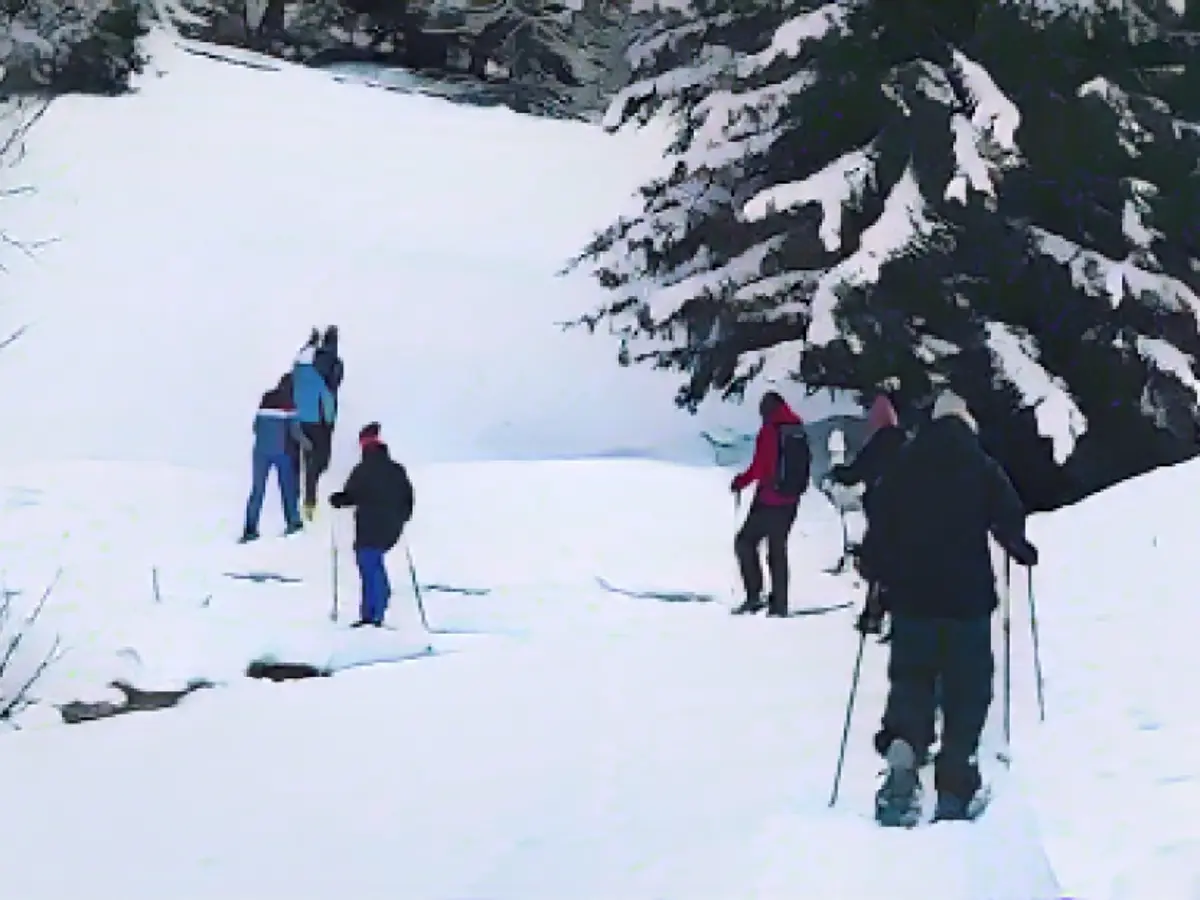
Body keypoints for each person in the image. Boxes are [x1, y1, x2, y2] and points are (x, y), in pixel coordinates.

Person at [866, 390, 1038, 826]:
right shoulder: (979, 464)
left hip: (913, 601)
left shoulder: (905, 463)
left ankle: (904, 753)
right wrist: (1019, 548)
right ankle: (955, 786)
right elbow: (1009, 514)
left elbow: (880, 520)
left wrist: (878, 575)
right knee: (968, 689)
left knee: (911, 679)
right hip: (968, 602)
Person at [826, 393, 908, 637]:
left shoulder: (879, 442)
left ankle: (873, 615)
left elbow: (856, 472)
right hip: (907, 513)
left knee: (877, 565)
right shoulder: (906, 442)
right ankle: (896, 618)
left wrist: (837, 473)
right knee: (897, 566)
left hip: (882, 512)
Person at [730, 390, 811, 617]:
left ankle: (755, 596)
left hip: (769, 499)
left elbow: (759, 467)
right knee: (777, 550)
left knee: (745, 542)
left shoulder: (770, 430)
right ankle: (779, 604)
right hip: (791, 500)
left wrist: (740, 482)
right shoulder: (796, 428)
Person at [329, 422, 415, 628]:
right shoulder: (396, 469)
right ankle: (380, 605)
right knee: (375, 562)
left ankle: (372, 615)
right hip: (391, 527)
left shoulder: (362, 470)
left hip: (369, 524)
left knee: (368, 564)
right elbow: (408, 497)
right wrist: (401, 518)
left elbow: (352, 495)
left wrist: (338, 500)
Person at [240, 373, 310, 543]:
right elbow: (295, 432)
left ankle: (250, 529)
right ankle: (293, 522)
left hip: (260, 452)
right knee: (287, 488)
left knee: (257, 490)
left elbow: (255, 427)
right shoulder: (289, 403)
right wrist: (308, 444)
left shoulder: (266, 399)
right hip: (282, 452)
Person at [292, 333, 337, 521]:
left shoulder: (296, 374)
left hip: (300, 422)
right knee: (319, 460)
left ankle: (303, 494)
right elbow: (327, 399)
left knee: (306, 454)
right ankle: (310, 500)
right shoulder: (317, 377)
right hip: (318, 423)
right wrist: (330, 421)